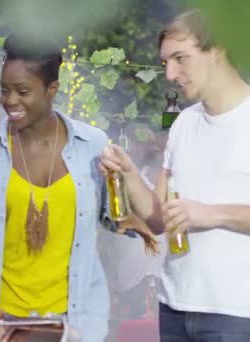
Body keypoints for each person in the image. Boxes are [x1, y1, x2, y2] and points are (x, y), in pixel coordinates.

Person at [0, 35, 153, 342]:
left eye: (22, 91)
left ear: (52, 90)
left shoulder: (92, 145)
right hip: (3, 321)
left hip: (75, 321)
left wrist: (136, 217)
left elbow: (115, 216)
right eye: (4, 90)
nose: (10, 101)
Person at [100, 9, 250, 341]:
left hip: (238, 314)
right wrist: (129, 173)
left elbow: (199, 213)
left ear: (218, 50)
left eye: (180, 58)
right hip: (175, 308)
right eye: (166, 62)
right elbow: (157, 218)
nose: (170, 73)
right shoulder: (183, 123)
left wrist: (211, 214)